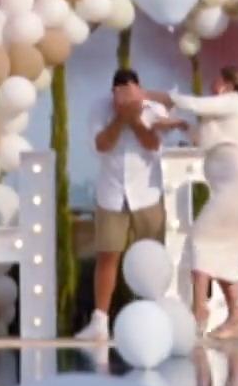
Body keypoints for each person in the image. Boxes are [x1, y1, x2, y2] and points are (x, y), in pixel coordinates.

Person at [163, 65, 238, 340]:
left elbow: (194, 104)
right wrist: (181, 125)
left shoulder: (234, 102)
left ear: (226, 83)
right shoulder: (226, 114)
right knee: (225, 249)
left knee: (200, 237)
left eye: (217, 78)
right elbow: (203, 140)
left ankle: (199, 309)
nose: (212, 83)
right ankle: (237, 311)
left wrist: (154, 96)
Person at [76, 68, 184, 341]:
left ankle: (155, 315)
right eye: (118, 96)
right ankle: (100, 321)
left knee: (151, 255)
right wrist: (120, 119)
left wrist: (134, 120)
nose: (122, 101)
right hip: (112, 193)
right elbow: (101, 145)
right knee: (108, 255)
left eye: (129, 95)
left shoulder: (153, 108)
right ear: (112, 94)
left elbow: (152, 145)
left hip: (146, 193)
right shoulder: (99, 109)